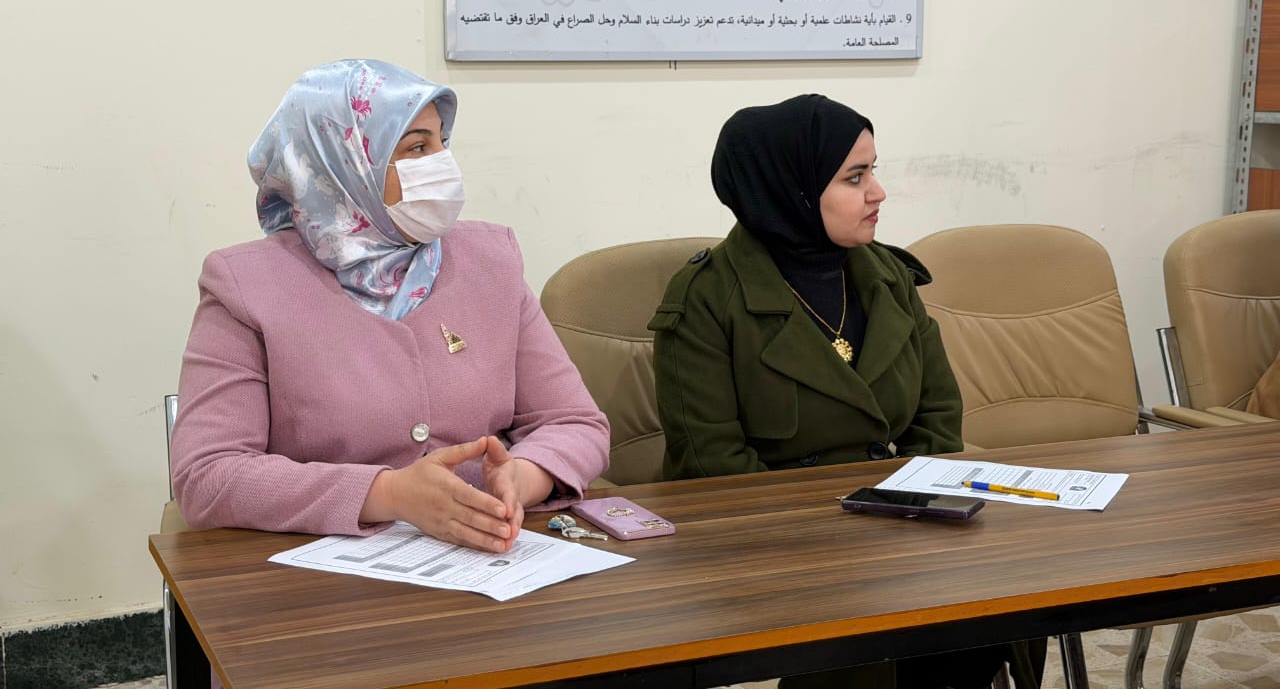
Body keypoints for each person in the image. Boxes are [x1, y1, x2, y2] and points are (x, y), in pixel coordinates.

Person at [649, 95, 1042, 688]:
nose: (878, 192)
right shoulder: (706, 298)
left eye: (873, 171)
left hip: (902, 520)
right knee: (868, 634)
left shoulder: (887, 276)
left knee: (1007, 599)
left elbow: (938, 413)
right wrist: (847, 536)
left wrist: (910, 508)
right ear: (792, 189)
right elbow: (712, 466)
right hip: (780, 543)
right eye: (855, 177)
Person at [171, 59, 609, 554]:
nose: (442, 163)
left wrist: (521, 477)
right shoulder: (246, 285)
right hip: (320, 578)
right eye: (417, 148)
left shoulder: (491, 261)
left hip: (488, 560)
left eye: (442, 142)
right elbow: (207, 475)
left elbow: (575, 423)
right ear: (345, 163)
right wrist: (388, 494)